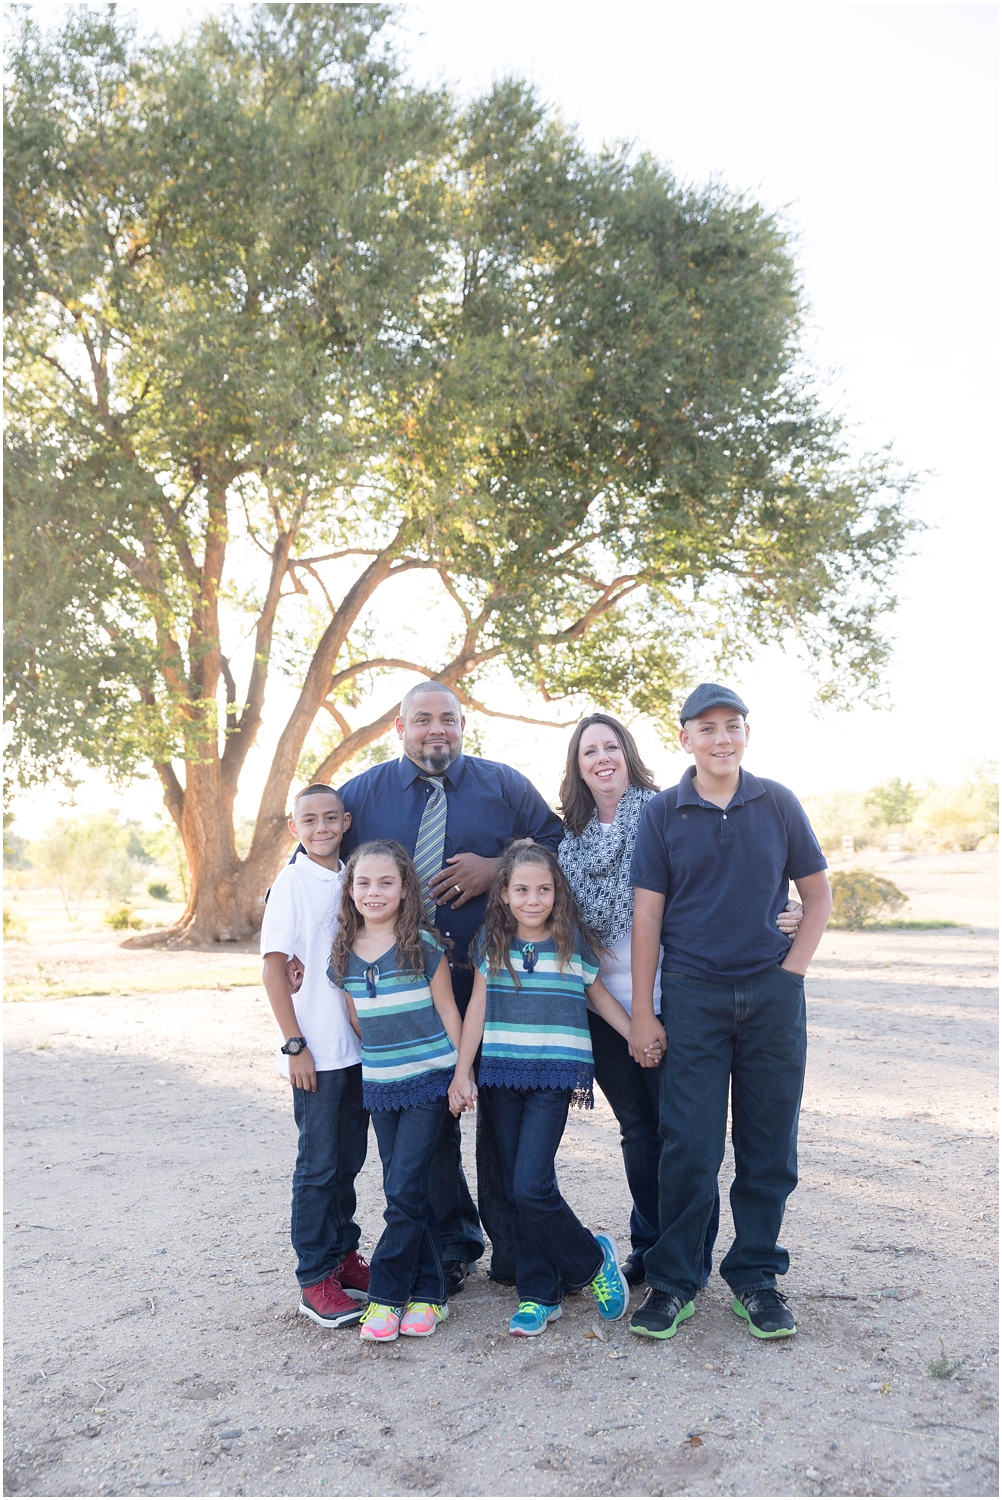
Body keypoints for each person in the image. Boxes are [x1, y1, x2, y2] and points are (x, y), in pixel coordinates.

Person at [557, 713, 804, 1285]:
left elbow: (724, 882)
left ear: (629, 753)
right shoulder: (567, 842)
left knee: (685, 1136)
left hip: (679, 998)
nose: (602, 758)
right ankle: (652, 1244)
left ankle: (688, 1254)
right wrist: (623, 1021)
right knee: (638, 1132)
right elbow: (562, 929)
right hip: (604, 1008)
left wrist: (781, 918)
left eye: (611, 747)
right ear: (577, 765)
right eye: (589, 750)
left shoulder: (667, 811)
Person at [338, 681, 563, 1291]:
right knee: (427, 1113)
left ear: (464, 724)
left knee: (502, 1108)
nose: (436, 729)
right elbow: (320, 865)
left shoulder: (504, 785)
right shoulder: (361, 794)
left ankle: (516, 1249)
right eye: (422, 719)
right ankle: (452, 1242)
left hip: (500, 978)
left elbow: (557, 843)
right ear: (399, 727)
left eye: (448, 719)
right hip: (410, 988)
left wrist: (499, 868)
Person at [626, 684, 832, 1342]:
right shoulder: (662, 813)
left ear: (747, 733)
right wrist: (642, 1012)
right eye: (706, 727)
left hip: (772, 995)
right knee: (688, 1141)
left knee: (769, 1142)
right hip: (692, 995)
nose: (721, 738)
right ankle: (675, 1281)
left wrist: (791, 970)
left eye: (732, 726)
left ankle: (756, 1277)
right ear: (684, 738)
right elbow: (647, 918)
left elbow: (818, 894)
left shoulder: (778, 802)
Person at [449, 843, 636, 1337]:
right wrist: (462, 1071)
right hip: (501, 1076)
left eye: (544, 889)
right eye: (522, 890)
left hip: (554, 1077)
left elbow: (600, 998)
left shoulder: (572, 942)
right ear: (505, 894)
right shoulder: (492, 944)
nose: (534, 900)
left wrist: (639, 1031)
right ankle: (539, 1293)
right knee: (517, 1188)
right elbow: (476, 1011)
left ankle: (593, 1262)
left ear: (557, 892)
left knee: (531, 1184)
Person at [329, 840, 464, 1344]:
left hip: (430, 1080)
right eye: (363, 882)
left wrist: (460, 1075)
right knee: (405, 1189)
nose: (374, 891)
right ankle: (430, 1294)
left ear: (405, 889)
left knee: (404, 1190)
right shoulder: (342, 953)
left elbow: (449, 1011)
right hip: (382, 1087)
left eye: (386, 882)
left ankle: (387, 1295)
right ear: (350, 889)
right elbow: (357, 1022)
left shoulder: (423, 946)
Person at [260, 784, 371, 1330]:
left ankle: (344, 1256)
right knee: (318, 1165)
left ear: (346, 820)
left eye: (331, 818)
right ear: (294, 827)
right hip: (315, 1052)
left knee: (349, 1161)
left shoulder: (354, 876)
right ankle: (314, 1278)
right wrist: (294, 1044)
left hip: (356, 1048)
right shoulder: (291, 882)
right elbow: (274, 967)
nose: (322, 827)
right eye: (311, 819)